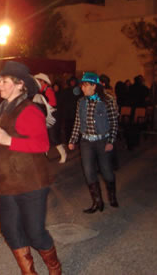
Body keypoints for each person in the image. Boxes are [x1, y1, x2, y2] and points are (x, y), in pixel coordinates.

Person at [0, 61, 61, 275]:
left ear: (20, 84)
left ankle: (55, 269)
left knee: (35, 234)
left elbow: (42, 145)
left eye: (4, 81)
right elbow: (5, 139)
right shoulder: (3, 108)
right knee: (10, 230)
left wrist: (8, 140)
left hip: (31, 183)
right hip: (8, 183)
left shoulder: (29, 110)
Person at [68, 72, 119, 214]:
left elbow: (114, 122)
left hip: (102, 141)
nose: (83, 88)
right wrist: (73, 140)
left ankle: (112, 196)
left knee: (106, 171)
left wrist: (111, 141)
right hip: (86, 142)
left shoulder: (107, 100)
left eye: (85, 85)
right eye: (82, 86)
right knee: (89, 172)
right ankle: (97, 202)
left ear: (94, 86)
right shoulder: (81, 102)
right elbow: (77, 123)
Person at [34, 73, 67, 163]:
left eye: (38, 81)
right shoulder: (40, 91)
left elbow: (53, 103)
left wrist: (43, 103)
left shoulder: (48, 90)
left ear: (42, 81)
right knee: (44, 136)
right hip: (44, 116)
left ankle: (63, 153)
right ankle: (44, 156)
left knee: (53, 137)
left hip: (51, 116)